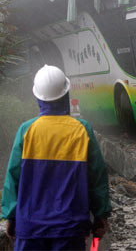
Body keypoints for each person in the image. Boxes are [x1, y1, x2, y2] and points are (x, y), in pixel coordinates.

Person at [1, 65, 111, 251]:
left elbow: (13, 177)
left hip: (30, 228)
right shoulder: (82, 130)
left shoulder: (26, 131)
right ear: (66, 93)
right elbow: (97, 177)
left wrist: (10, 216)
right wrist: (101, 216)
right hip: (70, 229)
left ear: (37, 96)